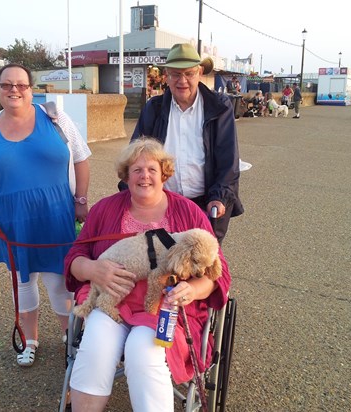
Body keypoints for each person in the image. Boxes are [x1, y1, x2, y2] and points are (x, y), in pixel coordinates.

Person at [64, 138, 231, 412]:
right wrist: (94, 269)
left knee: (143, 352)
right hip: (112, 300)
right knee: (95, 346)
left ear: (164, 173)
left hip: (164, 307)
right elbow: (74, 257)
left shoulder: (189, 212)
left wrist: (192, 290)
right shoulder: (105, 209)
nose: (145, 176)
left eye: (152, 169)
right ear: (126, 176)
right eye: (136, 170)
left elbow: (218, 272)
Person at [0, 63, 92, 367]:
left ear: (31, 89)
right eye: (7, 85)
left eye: (21, 84)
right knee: (22, 281)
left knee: (59, 279)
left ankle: (69, 337)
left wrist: (81, 200)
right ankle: (30, 339)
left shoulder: (55, 118)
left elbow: (81, 157)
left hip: (56, 214)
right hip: (10, 220)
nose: (14, 90)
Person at [129, 43, 243, 243]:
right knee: (165, 262)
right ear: (166, 75)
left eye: (189, 74)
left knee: (202, 266)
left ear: (199, 72)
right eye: (175, 74)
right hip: (164, 203)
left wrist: (220, 196)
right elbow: (134, 156)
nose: (182, 81)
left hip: (206, 203)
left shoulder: (219, 106)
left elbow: (228, 161)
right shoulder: (153, 108)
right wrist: (129, 193)